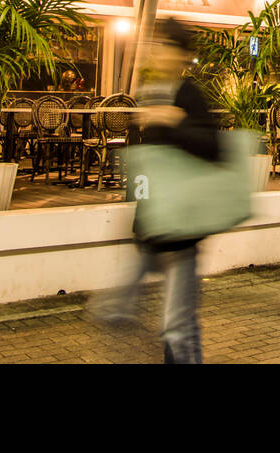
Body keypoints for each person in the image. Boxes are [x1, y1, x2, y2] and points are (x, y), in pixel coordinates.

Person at [92, 18, 219, 363]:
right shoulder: (149, 94)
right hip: (155, 222)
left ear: (179, 55)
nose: (153, 53)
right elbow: (145, 162)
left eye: (161, 46)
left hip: (183, 225)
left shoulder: (188, 96)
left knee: (177, 324)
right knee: (161, 317)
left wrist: (174, 121)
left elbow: (212, 148)